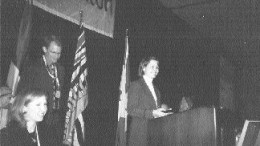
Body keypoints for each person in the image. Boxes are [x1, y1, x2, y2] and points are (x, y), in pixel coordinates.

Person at [17, 35, 65, 143]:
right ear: (44, 49)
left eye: (59, 53)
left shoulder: (61, 70)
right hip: (38, 118)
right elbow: (22, 94)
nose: (57, 57)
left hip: (55, 120)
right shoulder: (33, 67)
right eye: (53, 52)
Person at [127, 56, 172, 146]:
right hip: (140, 134)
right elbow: (130, 110)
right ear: (143, 68)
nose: (155, 69)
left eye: (157, 67)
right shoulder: (136, 85)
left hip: (154, 134)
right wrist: (152, 113)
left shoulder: (157, 90)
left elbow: (155, 110)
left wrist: (164, 112)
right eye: (152, 66)